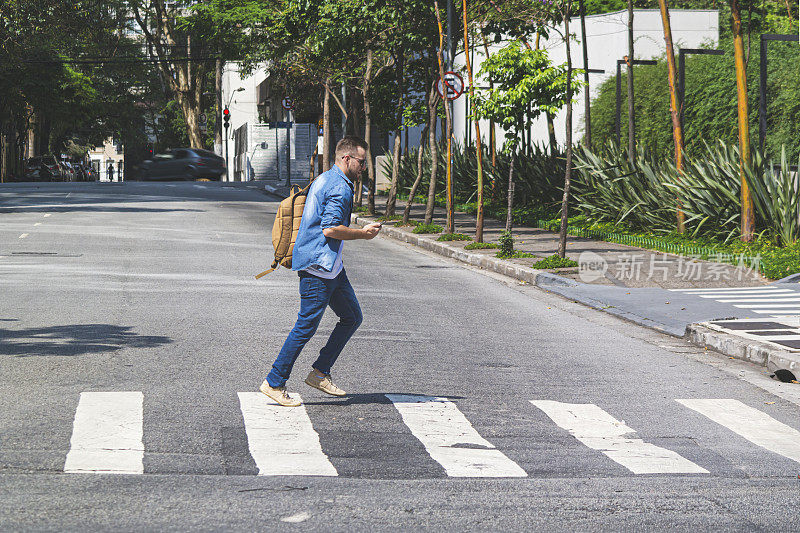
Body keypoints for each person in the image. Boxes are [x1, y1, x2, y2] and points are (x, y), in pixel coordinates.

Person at [260, 136, 382, 407]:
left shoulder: (326, 178)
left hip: (330, 268)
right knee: (305, 326)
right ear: (346, 159)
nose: (364, 167)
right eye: (362, 162)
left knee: (351, 317)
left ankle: (320, 372)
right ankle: (274, 382)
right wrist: (363, 234)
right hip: (318, 268)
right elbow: (330, 229)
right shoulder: (340, 187)